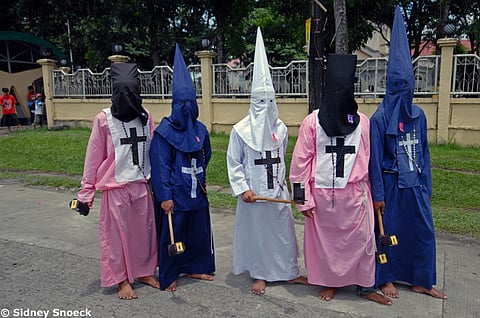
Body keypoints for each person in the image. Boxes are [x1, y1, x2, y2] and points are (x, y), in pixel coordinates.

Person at [289, 54, 392, 305]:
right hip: (323, 200)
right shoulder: (311, 123)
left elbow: (371, 161)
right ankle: (329, 282)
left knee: (364, 242)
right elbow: (299, 165)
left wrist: (377, 195)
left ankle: (365, 286)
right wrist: (303, 201)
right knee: (327, 247)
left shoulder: (364, 123)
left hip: (356, 198)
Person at [369, 6, 447, 300]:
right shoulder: (379, 119)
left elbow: (424, 154)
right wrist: (378, 195)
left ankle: (421, 279)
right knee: (389, 232)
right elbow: (374, 161)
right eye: (397, 85)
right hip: (389, 186)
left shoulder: (419, 116)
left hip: (414, 183)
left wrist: (426, 185)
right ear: (390, 86)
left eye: (407, 85)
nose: (403, 90)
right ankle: (386, 278)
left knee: (423, 232)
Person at [226, 27, 307, 295]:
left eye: (269, 100)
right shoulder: (240, 131)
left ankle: (288, 272)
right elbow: (234, 163)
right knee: (259, 236)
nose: (265, 105)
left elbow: (281, 155)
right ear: (252, 102)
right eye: (260, 101)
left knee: (283, 234)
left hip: (277, 192)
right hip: (254, 195)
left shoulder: (281, 129)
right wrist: (243, 188)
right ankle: (260, 274)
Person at [76, 63, 159, 300]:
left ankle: (144, 272)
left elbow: (153, 151)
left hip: (142, 184)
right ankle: (121, 279)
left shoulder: (146, 117)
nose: (127, 98)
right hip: (116, 187)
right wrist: (86, 194)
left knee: (144, 234)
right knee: (115, 238)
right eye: (122, 93)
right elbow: (93, 159)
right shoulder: (103, 120)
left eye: (131, 93)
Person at [150, 44, 216, 292]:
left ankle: (197, 266)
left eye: (191, 101)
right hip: (175, 197)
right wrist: (165, 196)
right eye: (183, 102)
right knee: (173, 234)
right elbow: (159, 166)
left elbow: (205, 154)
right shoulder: (164, 133)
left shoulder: (200, 129)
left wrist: (197, 176)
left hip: (197, 193)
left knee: (198, 232)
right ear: (175, 104)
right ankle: (170, 273)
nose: (187, 106)